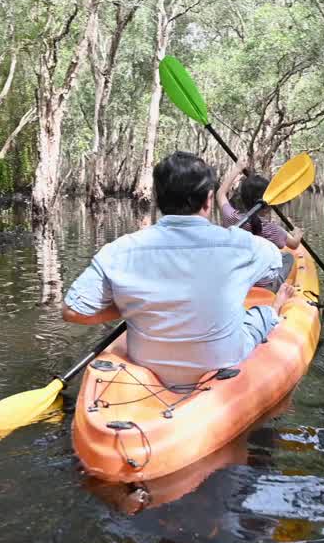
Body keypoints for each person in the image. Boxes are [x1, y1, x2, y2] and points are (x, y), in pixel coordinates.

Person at [62, 152, 295, 388]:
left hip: (146, 361)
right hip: (224, 357)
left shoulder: (119, 250)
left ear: (157, 198)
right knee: (260, 314)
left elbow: (73, 312)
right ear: (208, 199)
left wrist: (132, 307)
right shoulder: (246, 246)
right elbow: (274, 264)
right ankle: (274, 311)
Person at [216, 159, 303, 289]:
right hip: (263, 284)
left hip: (237, 278)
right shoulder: (272, 229)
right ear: (268, 206)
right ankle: (276, 285)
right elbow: (294, 244)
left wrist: (237, 169)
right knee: (288, 257)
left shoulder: (230, 217)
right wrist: (297, 233)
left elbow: (220, 193)